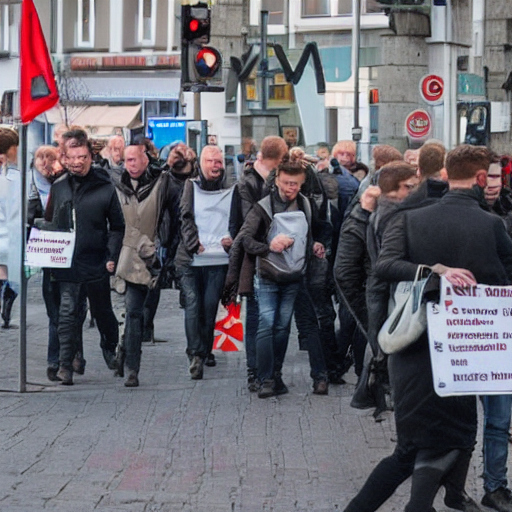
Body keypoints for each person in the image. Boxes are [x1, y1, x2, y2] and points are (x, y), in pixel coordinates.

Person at [344, 144, 512, 512]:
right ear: (481, 179)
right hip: (463, 357)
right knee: (435, 445)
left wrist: (428, 270)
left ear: (448, 174)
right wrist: (439, 271)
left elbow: (384, 265)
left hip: (413, 353)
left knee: (422, 446)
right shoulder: (492, 225)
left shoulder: (408, 218)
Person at [225, 156, 326, 398]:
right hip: (267, 274)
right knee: (266, 325)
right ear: (277, 181)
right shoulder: (263, 206)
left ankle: (275, 375)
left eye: (296, 184)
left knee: (282, 328)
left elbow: (310, 233)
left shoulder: (306, 205)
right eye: (287, 183)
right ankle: (265, 379)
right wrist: (269, 245)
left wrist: (314, 245)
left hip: (294, 274)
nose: (291, 188)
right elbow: (246, 239)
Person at [42, 129, 125, 385]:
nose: (78, 162)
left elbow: (118, 226)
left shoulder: (104, 185)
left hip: (96, 260)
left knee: (103, 313)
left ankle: (110, 348)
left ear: (91, 156)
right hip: (67, 262)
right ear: (65, 159)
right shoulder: (59, 186)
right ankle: (66, 364)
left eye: (83, 156)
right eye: (73, 157)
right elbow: (48, 222)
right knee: (67, 313)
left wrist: (112, 254)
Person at [113, 143, 181, 387]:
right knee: (113, 315)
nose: (130, 164)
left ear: (145, 160)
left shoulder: (162, 183)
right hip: (115, 256)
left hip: (143, 257)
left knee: (133, 312)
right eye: (126, 160)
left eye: (134, 159)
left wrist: (166, 250)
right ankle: (119, 348)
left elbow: (177, 215)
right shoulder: (115, 185)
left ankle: (132, 367)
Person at [175, 145, 241, 380]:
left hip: (218, 258)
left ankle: (204, 350)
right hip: (191, 258)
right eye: (211, 161)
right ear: (200, 164)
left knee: (210, 306)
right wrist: (193, 243)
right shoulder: (190, 186)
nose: (216, 165)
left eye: (219, 162)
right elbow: (185, 216)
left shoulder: (233, 189)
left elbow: (237, 219)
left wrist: (232, 239)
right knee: (193, 306)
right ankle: (196, 354)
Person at [236, 135, 288, 390]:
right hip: (256, 256)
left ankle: (269, 371)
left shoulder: (276, 179)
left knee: (275, 319)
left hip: (280, 257)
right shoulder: (248, 182)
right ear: (279, 156)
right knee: (257, 316)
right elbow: (250, 220)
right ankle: (254, 370)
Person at [0, 127, 20, 329]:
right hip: (10, 232)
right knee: (12, 273)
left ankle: (5, 298)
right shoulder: (13, 174)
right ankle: (7, 299)